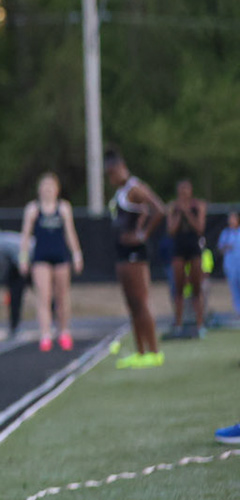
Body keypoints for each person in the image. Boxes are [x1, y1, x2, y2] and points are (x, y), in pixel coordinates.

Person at [106, 148, 166, 367]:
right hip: (122, 252)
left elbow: (159, 209)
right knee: (131, 304)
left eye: (113, 173)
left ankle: (154, 351)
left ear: (122, 168)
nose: (111, 179)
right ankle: (140, 352)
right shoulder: (121, 191)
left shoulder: (135, 188)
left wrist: (143, 234)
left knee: (141, 301)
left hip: (134, 253)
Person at [19, 172, 81, 351]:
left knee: (62, 296)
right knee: (43, 297)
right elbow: (25, 236)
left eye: (51, 187)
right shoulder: (33, 209)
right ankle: (45, 333)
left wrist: (77, 254)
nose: (47, 190)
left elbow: (70, 233)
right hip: (41, 258)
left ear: (57, 189)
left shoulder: (63, 208)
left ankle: (64, 331)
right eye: (44, 186)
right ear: (39, 190)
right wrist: (23, 258)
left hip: (60, 257)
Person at [165, 179, 208, 338]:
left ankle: (199, 323)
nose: (183, 193)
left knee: (197, 288)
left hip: (194, 248)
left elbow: (200, 228)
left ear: (190, 190)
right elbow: (171, 230)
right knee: (179, 289)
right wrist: (179, 212)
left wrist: (187, 212)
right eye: (181, 189)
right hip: (179, 248)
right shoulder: (173, 207)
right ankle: (178, 324)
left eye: (186, 189)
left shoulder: (198, 205)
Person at [219, 212, 240, 323]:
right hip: (231, 266)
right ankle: (238, 312)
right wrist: (227, 246)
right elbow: (221, 249)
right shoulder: (226, 234)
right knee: (234, 289)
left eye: (233, 218)